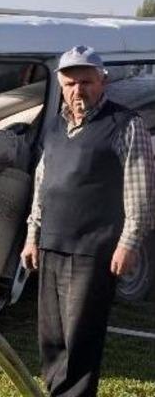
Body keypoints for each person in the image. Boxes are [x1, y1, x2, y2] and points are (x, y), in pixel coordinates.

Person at [20, 46, 155, 396]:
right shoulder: (56, 126)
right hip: (52, 243)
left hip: (93, 249)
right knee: (51, 337)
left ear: (102, 81)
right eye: (70, 83)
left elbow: (140, 191)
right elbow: (42, 184)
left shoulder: (126, 125)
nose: (78, 90)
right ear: (61, 85)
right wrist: (33, 236)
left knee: (81, 336)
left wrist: (129, 243)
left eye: (86, 82)